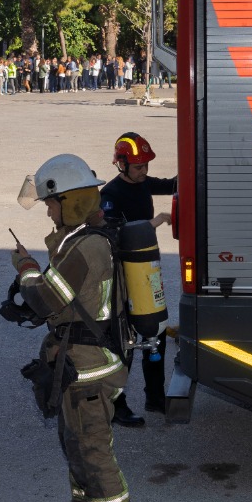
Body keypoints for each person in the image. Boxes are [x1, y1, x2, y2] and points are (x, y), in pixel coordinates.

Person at [12, 153, 135, 502]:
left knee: (94, 453)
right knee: (75, 445)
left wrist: (26, 268)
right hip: (80, 366)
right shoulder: (82, 239)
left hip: (89, 371)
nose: (48, 211)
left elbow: (46, 298)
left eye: (51, 203)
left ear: (71, 201)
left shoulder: (86, 247)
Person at [99, 132, 178, 427]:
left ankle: (155, 398)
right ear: (122, 165)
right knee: (125, 342)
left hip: (146, 272)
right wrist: (152, 223)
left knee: (156, 333)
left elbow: (171, 184)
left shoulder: (142, 182)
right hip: (122, 277)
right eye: (138, 166)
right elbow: (112, 236)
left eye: (146, 165)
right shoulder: (110, 195)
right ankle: (117, 406)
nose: (144, 171)